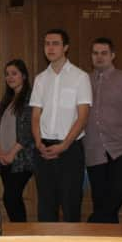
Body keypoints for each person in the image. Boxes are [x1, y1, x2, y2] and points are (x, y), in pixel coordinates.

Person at [30, 29, 92, 222]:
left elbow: (82, 118)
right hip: (44, 149)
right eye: (47, 43)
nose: (50, 47)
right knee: (46, 206)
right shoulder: (41, 79)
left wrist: (64, 146)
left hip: (70, 149)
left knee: (71, 204)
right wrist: (39, 142)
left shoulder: (80, 77)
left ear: (65, 47)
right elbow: (35, 116)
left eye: (55, 43)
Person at [84, 37, 122, 223]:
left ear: (113, 55)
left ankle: (93, 223)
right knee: (101, 201)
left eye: (104, 53)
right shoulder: (84, 80)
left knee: (116, 196)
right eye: (95, 53)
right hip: (94, 150)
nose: (99, 57)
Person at [0, 59, 34, 222]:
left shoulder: (30, 98)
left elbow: (28, 129)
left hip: (21, 158)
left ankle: (22, 233)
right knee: (11, 198)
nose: (10, 77)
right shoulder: (7, 99)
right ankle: (19, 232)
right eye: (7, 74)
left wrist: (11, 153)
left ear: (23, 76)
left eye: (14, 74)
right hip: (4, 158)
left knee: (11, 197)